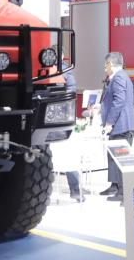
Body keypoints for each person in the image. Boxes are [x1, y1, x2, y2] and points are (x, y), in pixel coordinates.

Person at [98, 52, 134, 203]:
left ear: (111, 64)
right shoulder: (119, 77)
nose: (105, 67)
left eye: (106, 64)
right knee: (116, 158)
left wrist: (109, 123)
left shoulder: (119, 77)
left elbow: (119, 101)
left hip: (122, 125)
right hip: (121, 125)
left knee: (122, 160)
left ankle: (124, 194)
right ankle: (119, 190)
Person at [61, 60, 85, 201]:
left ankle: (75, 188)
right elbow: (71, 90)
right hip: (62, 113)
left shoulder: (49, 69)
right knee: (68, 152)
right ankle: (75, 189)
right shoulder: (65, 70)